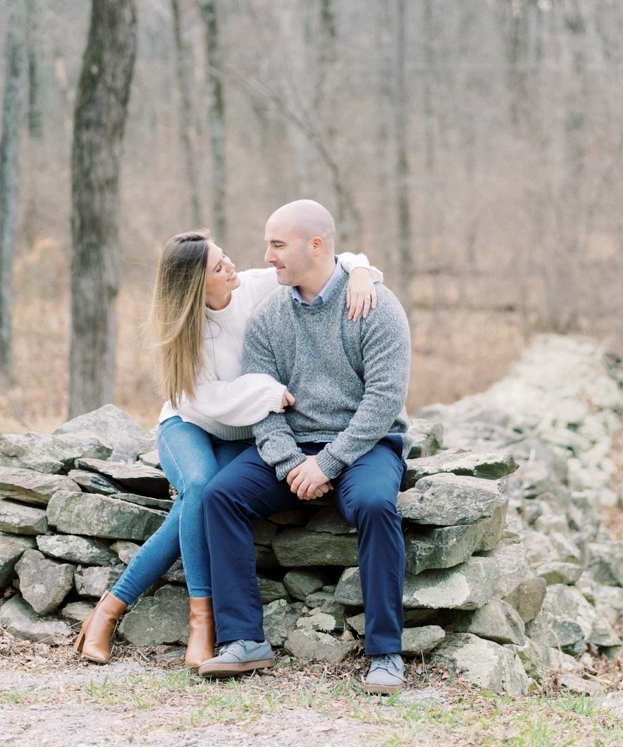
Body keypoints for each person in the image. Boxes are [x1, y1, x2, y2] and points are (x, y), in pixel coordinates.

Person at [73, 229, 383, 666]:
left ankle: (110, 608)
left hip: (244, 435)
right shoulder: (186, 330)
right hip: (191, 426)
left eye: (225, 257)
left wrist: (363, 273)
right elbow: (207, 399)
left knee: (208, 500)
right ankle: (184, 622)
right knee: (198, 488)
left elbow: (330, 257)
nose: (232, 266)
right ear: (196, 286)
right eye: (219, 267)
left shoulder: (254, 287)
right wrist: (268, 393)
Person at [197, 200, 413, 694]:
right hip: (293, 448)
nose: (268, 256)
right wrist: (294, 462)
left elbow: (383, 401)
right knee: (219, 496)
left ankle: (385, 653)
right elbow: (263, 401)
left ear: (315, 246)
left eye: (278, 244)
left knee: (378, 506)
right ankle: (243, 640)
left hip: (365, 445)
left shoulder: (377, 306)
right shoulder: (270, 314)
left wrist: (330, 463)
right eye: (268, 245)